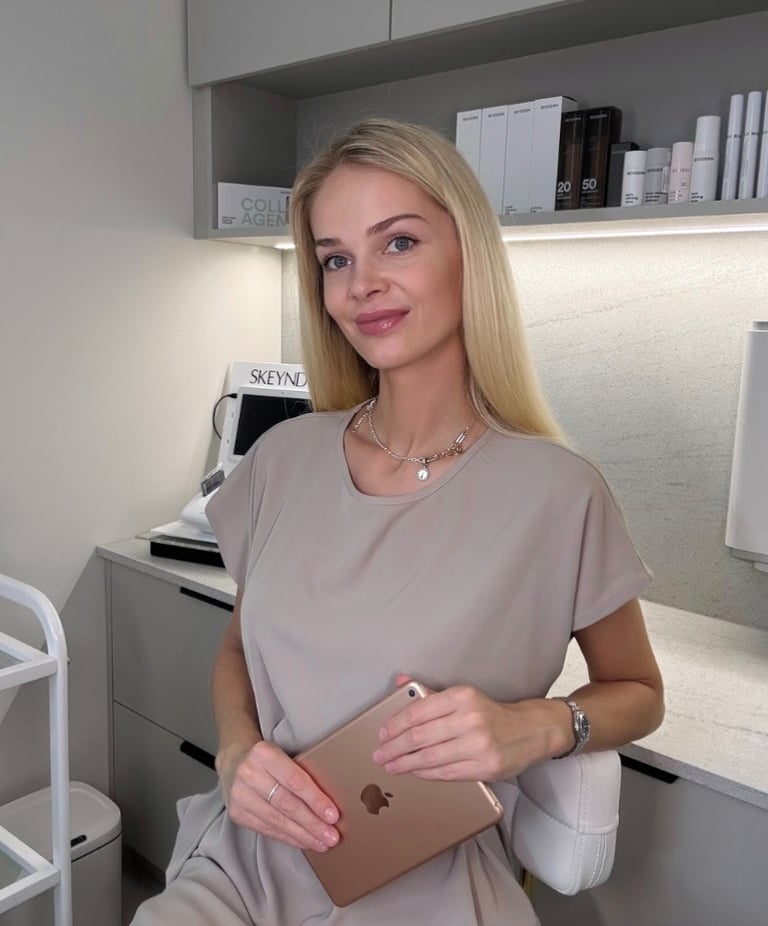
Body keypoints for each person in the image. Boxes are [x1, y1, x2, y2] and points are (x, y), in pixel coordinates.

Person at [131, 117, 664, 925]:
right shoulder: (283, 459)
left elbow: (639, 691)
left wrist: (542, 725)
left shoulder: (559, 494)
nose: (361, 285)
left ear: (468, 253)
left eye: (399, 243)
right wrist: (237, 753)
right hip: (247, 864)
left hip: (428, 881)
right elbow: (239, 648)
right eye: (336, 259)